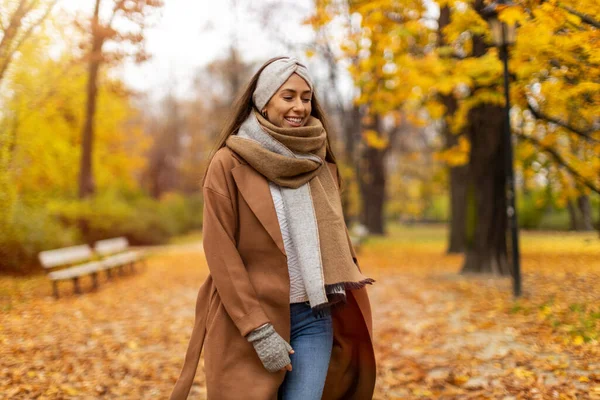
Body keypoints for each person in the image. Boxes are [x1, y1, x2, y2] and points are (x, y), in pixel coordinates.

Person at [170, 57, 376, 400]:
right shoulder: (228, 163)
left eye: (306, 98)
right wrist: (258, 331)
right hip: (249, 321)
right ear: (264, 100)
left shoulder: (320, 164)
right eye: (288, 96)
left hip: (314, 317)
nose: (300, 106)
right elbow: (221, 253)